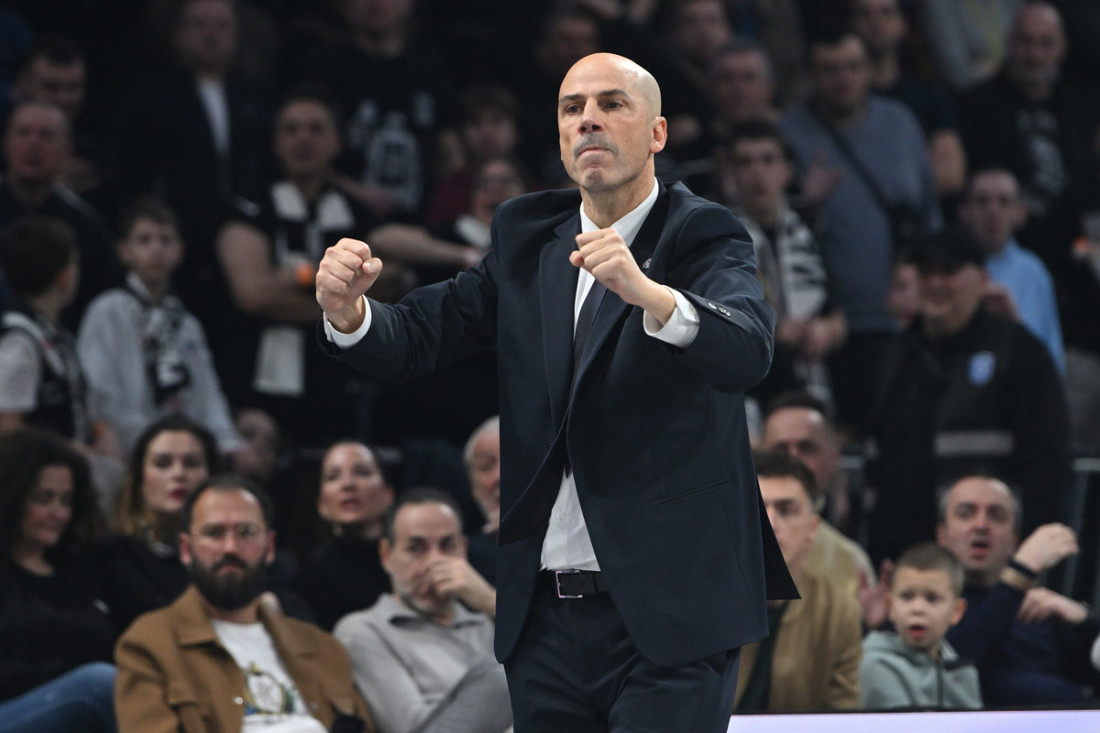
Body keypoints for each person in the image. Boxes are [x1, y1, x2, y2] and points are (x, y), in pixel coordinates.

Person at [316, 51, 796, 732]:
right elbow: (423, 333)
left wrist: (650, 294)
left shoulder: (703, 232)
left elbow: (747, 347)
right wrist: (349, 314)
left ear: (657, 133)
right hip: (545, 620)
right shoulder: (527, 235)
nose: (588, 120)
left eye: (611, 104)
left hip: (673, 613)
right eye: (573, 108)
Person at [216, 84, 478, 443]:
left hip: (339, 386)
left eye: (316, 129)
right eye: (291, 129)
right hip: (260, 385)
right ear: (275, 142)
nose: (303, 139)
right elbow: (254, 295)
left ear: (337, 142)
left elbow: (390, 280)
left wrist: (295, 280)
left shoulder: (357, 213)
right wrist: (342, 306)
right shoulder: (249, 206)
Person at [865, 226, 1072, 564]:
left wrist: (1032, 553)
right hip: (907, 557)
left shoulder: (1018, 351)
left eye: (948, 271)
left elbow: (1048, 458)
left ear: (983, 279)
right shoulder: (895, 355)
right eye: (926, 272)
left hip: (987, 558)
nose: (935, 283)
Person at [114, 474, 373, 732]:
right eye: (214, 533)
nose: (230, 547)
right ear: (185, 548)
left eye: (246, 532)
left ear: (269, 547)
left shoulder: (324, 649)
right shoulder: (150, 644)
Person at [780, 30, 941, 432]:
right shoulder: (788, 132)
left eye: (853, 67)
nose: (843, 79)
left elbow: (929, 215)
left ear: (870, 70)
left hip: (902, 320)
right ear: (812, 75)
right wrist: (803, 204)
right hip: (826, 330)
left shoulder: (900, 123)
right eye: (830, 69)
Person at [77, 197, 243, 455]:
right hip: (124, 448)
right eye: (144, 240)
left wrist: (227, 442)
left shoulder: (186, 323)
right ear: (124, 251)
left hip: (182, 447)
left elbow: (206, 395)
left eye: (165, 240)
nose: (156, 250)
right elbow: (99, 391)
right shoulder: (107, 311)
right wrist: (148, 440)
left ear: (180, 251)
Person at [335, 488, 506, 733]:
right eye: (416, 548)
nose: (434, 562)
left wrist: (492, 603)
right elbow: (415, 729)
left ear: (464, 549)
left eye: (448, 546)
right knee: (500, 676)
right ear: (386, 555)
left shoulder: (488, 622)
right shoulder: (363, 631)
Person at [937, 475, 1100, 706]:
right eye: (966, 514)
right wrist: (1022, 570)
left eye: (997, 515)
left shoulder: (1038, 609)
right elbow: (959, 664)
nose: (981, 525)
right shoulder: (925, 607)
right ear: (942, 535)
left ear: (1013, 540)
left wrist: (1084, 619)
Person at [0, 214, 122, 510]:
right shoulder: (19, 343)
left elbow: (83, 406)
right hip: (33, 484)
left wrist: (101, 432)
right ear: (65, 275)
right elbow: (8, 428)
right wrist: (71, 449)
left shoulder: (60, 337)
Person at [0, 427, 116, 733]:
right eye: (45, 498)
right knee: (99, 683)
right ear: (12, 496)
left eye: (66, 500)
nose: (59, 513)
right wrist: (69, 675)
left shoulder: (79, 571)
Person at [726, 120, 846, 411]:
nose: (757, 173)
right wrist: (774, 331)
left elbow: (838, 313)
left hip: (812, 380)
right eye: (745, 162)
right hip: (748, 392)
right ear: (731, 173)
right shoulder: (716, 239)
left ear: (787, 170)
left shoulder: (811, 232)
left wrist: (827, 330)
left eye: (768, 160)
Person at [734, 449, 861, 712]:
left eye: (786, 510)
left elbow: (843, 715)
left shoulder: (838, 612)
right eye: (757, 509)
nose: (769, 523)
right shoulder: (702, 601)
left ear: (813, 528)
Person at [93, 415, 220, 635]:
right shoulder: (109, 556)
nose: (178, 474)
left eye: (191, 464)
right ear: (139, 479)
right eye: (162, 463)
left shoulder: (234, 556)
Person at [0, 99, 117, 326]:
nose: (33, 143)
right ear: (5, 144)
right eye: (23, 133)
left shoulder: (87, 226)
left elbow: (100, 307)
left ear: (67, 152)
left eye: (46, 136)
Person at [760, 392, 875, 608]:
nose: (792, 458)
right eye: (780, 449)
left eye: (807, 448)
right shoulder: (724, 549)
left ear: (835, 458)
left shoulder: (851, 563)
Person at [957, 167, 1065, 375]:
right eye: (982, 201)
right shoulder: (949, 268)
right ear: (964, 211)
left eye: (1004, 202)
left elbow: (1051, 349)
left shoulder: (1034, 272)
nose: (993, 210)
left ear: (1020, 213)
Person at [860, 541, 981, 710]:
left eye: (932, 598)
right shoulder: (874, 665)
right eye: (907, 597)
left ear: (956, 611)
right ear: (890, 607)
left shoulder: (963, 672)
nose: (917, 609)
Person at [294, 440, 395, 631]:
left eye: (362, 473)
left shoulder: (410, 565)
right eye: (333, 477)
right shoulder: (309, 581)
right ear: (321, 504)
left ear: (388, 494)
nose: (348, 484)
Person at [462, 414, 501, 585]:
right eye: (486, 466)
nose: (500, 476)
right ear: (474, 489)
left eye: (512, 460)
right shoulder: (467, 561)